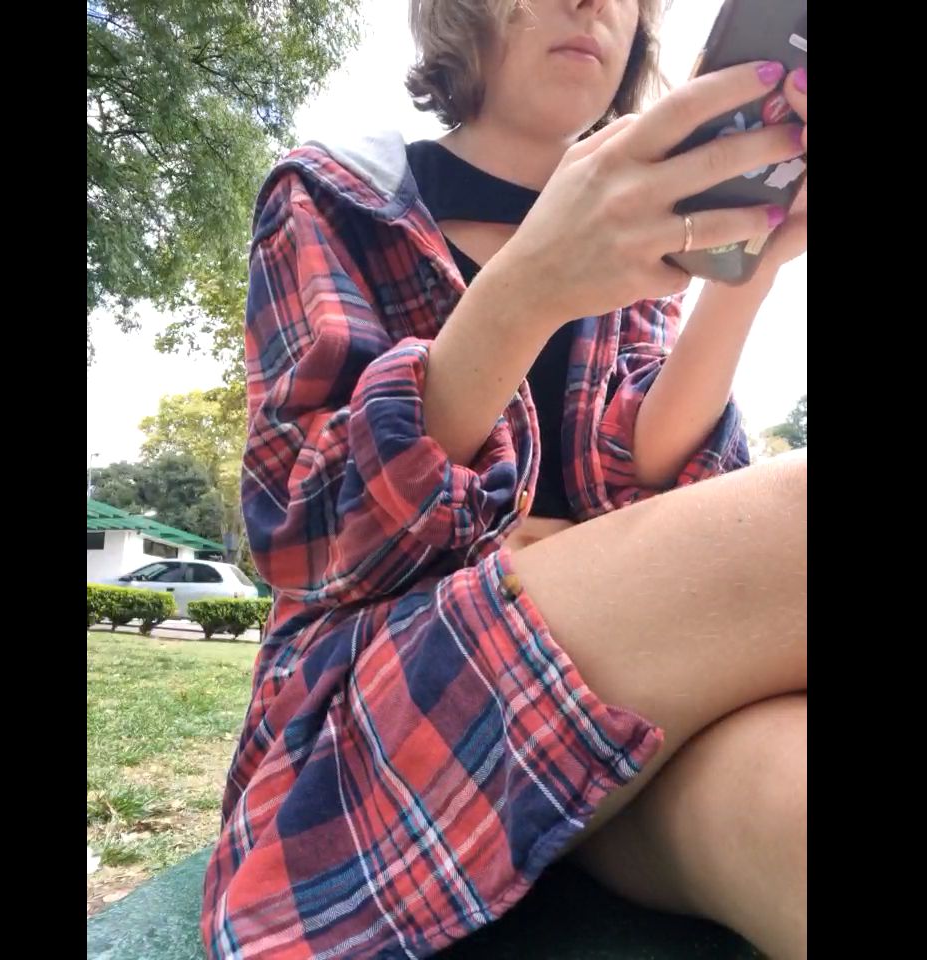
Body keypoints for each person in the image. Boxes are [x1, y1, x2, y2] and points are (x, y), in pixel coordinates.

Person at [202, 2, 808, 958]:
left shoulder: (643, 233)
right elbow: (306, 534)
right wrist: (530, 285)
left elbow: (649, 484)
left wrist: (750, 272)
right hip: (380, 725)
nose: (592, 2)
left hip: (599, 730)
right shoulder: (337, 194)